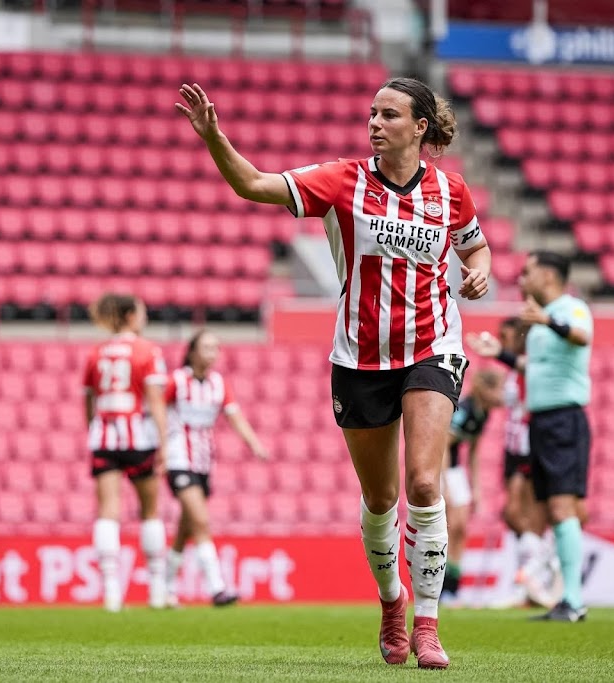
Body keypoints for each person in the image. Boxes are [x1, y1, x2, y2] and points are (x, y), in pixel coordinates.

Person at [176, 76, 492, 669]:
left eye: (389, 114)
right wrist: (215, 138)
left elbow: (475, 246)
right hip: (359, 357)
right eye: (372, 113)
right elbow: (252, 185)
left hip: (433, 345)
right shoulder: (343, 180)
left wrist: (479, 271)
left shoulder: (452, 192)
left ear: (420, 128)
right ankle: (391, 601)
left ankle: (428, 623)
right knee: (381, 498)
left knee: (426, 485)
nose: (375, 122)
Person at [479, 252, 593, 622]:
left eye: (527, 273)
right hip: (541, 423)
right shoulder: (542, 322)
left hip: (564, 420)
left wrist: (547, 319)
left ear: (547, 275)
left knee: (562, 508)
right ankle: (566, 598)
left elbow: (582, 336)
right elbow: (535, 367)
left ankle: (573, 600)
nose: (522, 279)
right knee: (552, 512)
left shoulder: (570, 309)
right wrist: (502, 356)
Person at [163, 330, 268, 608]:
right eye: (206, 347)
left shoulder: (218, 384)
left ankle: (165, 587)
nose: (212, 353)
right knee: (201, 519)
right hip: (177, 458)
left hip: (203, 462)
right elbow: (157, 411)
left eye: (215, 348)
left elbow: (236, 417)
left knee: (186, 527)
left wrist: (254, 445)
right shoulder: (177, 381)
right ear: (193, 351)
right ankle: (217, 588)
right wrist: (157, 450)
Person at [467, 318, 561, 609]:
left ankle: (540, 571)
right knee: (513, 515)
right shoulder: (511, 375)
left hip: (528, 445)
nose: (502, 341)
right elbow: (499, 399)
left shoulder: (528, 368)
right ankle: (530, 578)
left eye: (506, 337)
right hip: (513, 446)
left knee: (523, 512)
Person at [84, 292, 169, 611]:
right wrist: (163, 442)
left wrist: (93, 430)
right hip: (138, 435)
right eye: (143, 312)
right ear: (131, 316)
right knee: (150, 510)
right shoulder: (147, 350)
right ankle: (157, 589)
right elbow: (156, 401)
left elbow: (88, 400)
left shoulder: (97, 352)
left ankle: (110, 592)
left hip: (104, 435)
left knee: (108, 510)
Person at [439, 368, 503, 606]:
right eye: (497, 389)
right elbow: (445, 444)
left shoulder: (482, 413)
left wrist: (476, 488)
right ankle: (441, 587)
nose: (502, 395)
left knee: (461, 529)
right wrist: (443, 482)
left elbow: (473, 451)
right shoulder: (464, 410)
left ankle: (453, 589)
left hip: (456, 472)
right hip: (444, 469)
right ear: (484, 389)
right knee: (451, 526)